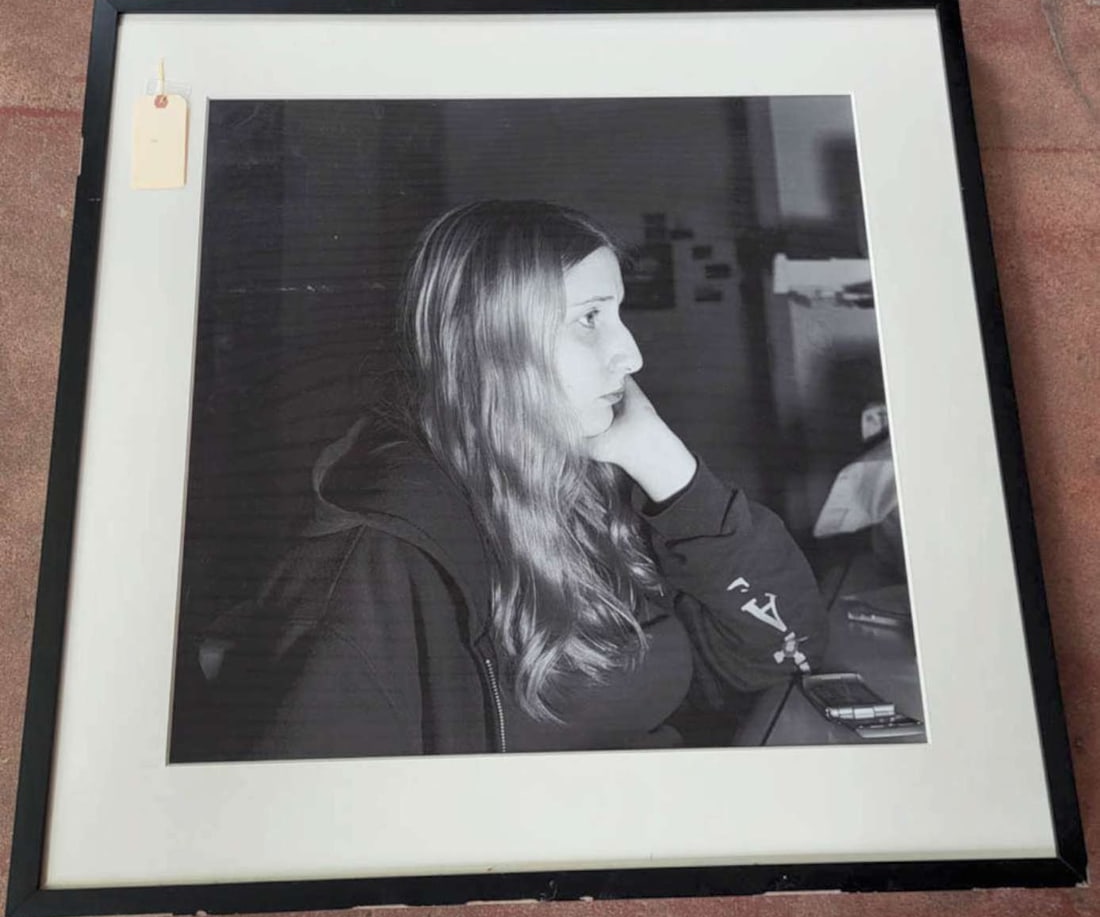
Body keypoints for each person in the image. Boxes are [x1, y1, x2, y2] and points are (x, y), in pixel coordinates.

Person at [184, 200, 827, 759]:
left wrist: (670, 470)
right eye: (590, 318)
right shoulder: (380, 560)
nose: (631, 355)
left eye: (618, 314)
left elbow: (779, 654)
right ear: (492, 343)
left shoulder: (582, 489)